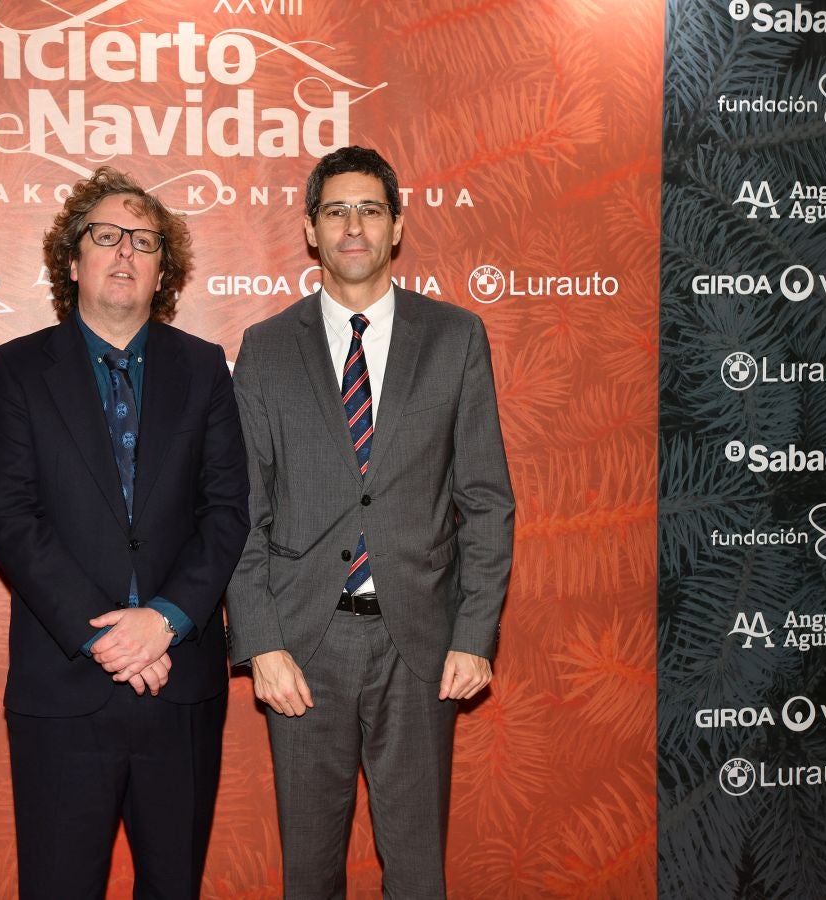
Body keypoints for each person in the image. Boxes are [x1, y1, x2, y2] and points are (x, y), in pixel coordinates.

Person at [226, 146, 515, 899]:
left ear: (396, 228)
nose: (353, 226)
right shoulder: (264, 350)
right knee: (309, 876)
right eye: (335, 211)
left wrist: (473, 634)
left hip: (418, 647)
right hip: (302, 650)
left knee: (418, 875)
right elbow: (240, 513)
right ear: (313, 232)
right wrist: (261, 644)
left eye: (370, 210)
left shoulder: (455, 338)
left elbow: (486, 499)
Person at [0, 166, 250, 899]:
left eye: (145, 240)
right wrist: (107, 635)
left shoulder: (205, 370)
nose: (125, 252)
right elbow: (10, 518)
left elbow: (226, 512)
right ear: (73, 261)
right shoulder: (18, 370)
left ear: (166, 269)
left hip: (179, 684)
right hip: (63, 690)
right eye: (106, 236)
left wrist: (163, 621)